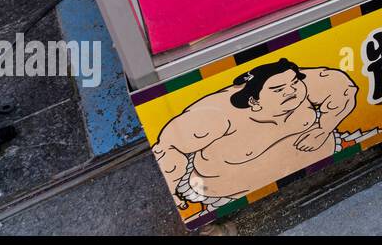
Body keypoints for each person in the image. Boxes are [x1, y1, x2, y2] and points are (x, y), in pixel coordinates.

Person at [151, 58, 366, 213]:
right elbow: (169, 146)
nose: (291, 90)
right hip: (224, 195)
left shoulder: (299, 83)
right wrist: (176, 189)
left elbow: (342, 87)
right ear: (254, 101)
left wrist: (323, 129)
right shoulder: (216, 115)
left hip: (326, 160)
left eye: (294, 83)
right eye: (278, 89)